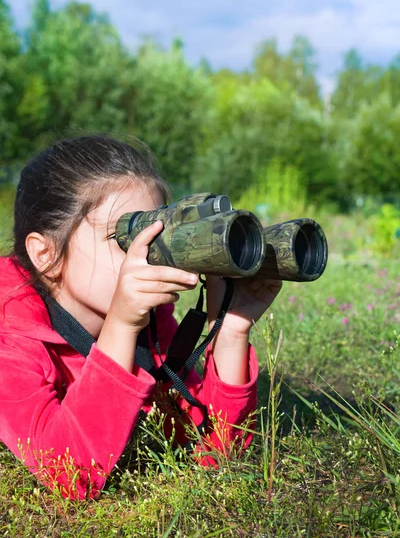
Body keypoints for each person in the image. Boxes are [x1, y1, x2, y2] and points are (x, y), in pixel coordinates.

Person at [0, 134, 282, 499]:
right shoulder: (11, 338)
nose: (146, 256)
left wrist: (229, 330)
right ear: (45, 254)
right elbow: (69, 474)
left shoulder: (152, 325)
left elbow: (213, 444)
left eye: (157, 236)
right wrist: (120, 326)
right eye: (124, 238)